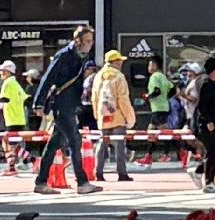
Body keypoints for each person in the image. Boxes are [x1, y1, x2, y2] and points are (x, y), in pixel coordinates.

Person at [31, 25, 94, 191]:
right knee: (75, 140)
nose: (90, 44)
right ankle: (82, 182)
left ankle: (41, 181)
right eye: (87, 41)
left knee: (54, 143)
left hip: (70, 103)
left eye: (91, 41)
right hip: (61, 104)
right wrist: (38, 102)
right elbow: (48, 78)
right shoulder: (64, 55)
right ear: (78, 40)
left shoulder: (81, 57)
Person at [92, 47, 136, 182]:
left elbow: (94, 97)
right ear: (116, 62)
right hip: (117, 115)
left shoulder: (98, 76)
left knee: (102, 143)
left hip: (103, 115)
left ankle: (98, 172)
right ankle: (121, 173)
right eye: (120, 60)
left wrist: (97, 114)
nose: (121, 63)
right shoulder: (119, 76)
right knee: (119, 145)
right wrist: (129, 117)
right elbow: (123, 99)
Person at [193, 51, 215, 189]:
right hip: (207, 123)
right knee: (213, 151)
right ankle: (209, 183)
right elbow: (202, 105)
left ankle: (199, 171)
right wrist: (208, 121)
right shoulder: (205, 83)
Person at [0, 59, 29, 172]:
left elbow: (3, 99)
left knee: (9, 143)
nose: (0, 73)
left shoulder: (7, 83)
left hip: (11, 117)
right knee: (13, 143)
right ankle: (15, 164)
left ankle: (30, 160)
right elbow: (25, 98)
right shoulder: (16, 83)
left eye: (2, 70)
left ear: (8, 71)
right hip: (19, 117)